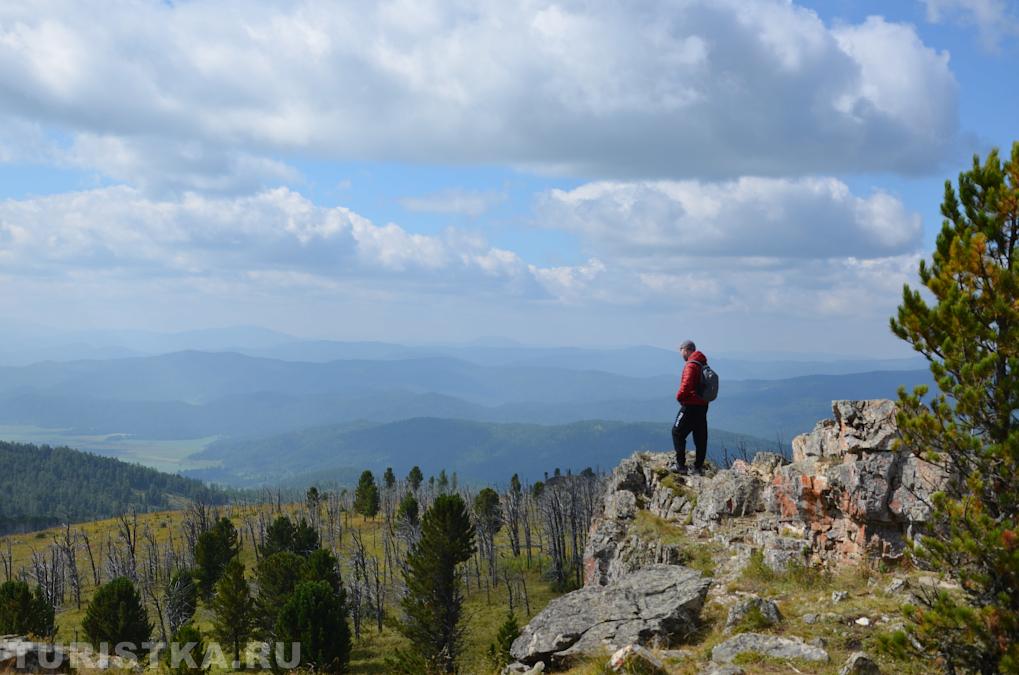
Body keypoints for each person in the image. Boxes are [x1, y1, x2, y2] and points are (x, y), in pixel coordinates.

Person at [672, 339, 709, 475]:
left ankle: (680, 465)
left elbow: (686, 385)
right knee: (700, 436)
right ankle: (698, 468)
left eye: (681, 350)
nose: (680, 353)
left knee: (677, 432)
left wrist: (679, 397)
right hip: (703, 405)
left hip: (691, 404)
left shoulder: (691, 365)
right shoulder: (702, 363)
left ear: (686, 349)